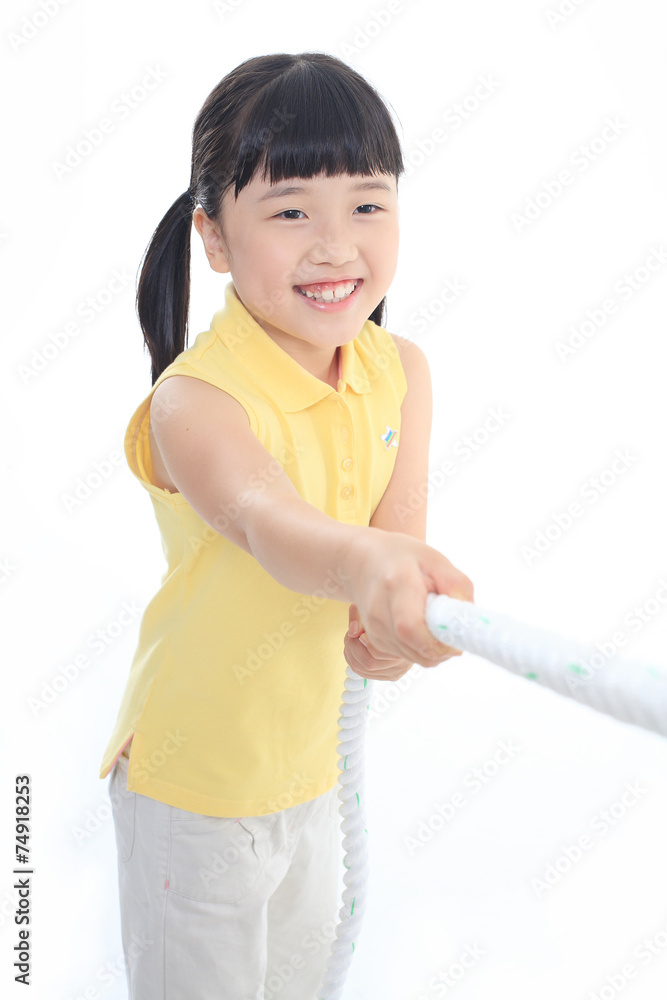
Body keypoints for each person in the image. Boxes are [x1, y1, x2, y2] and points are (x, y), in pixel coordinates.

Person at [99, 51, 474, 1000]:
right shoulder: (194, 401)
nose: (335, 245)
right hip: (194, 788)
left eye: (366, 203)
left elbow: (387, 555)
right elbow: (274, 529)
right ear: (214, 238)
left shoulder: (402, 372)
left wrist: (392, 631)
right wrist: (372, 569)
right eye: (290, 211)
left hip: (309, 776)